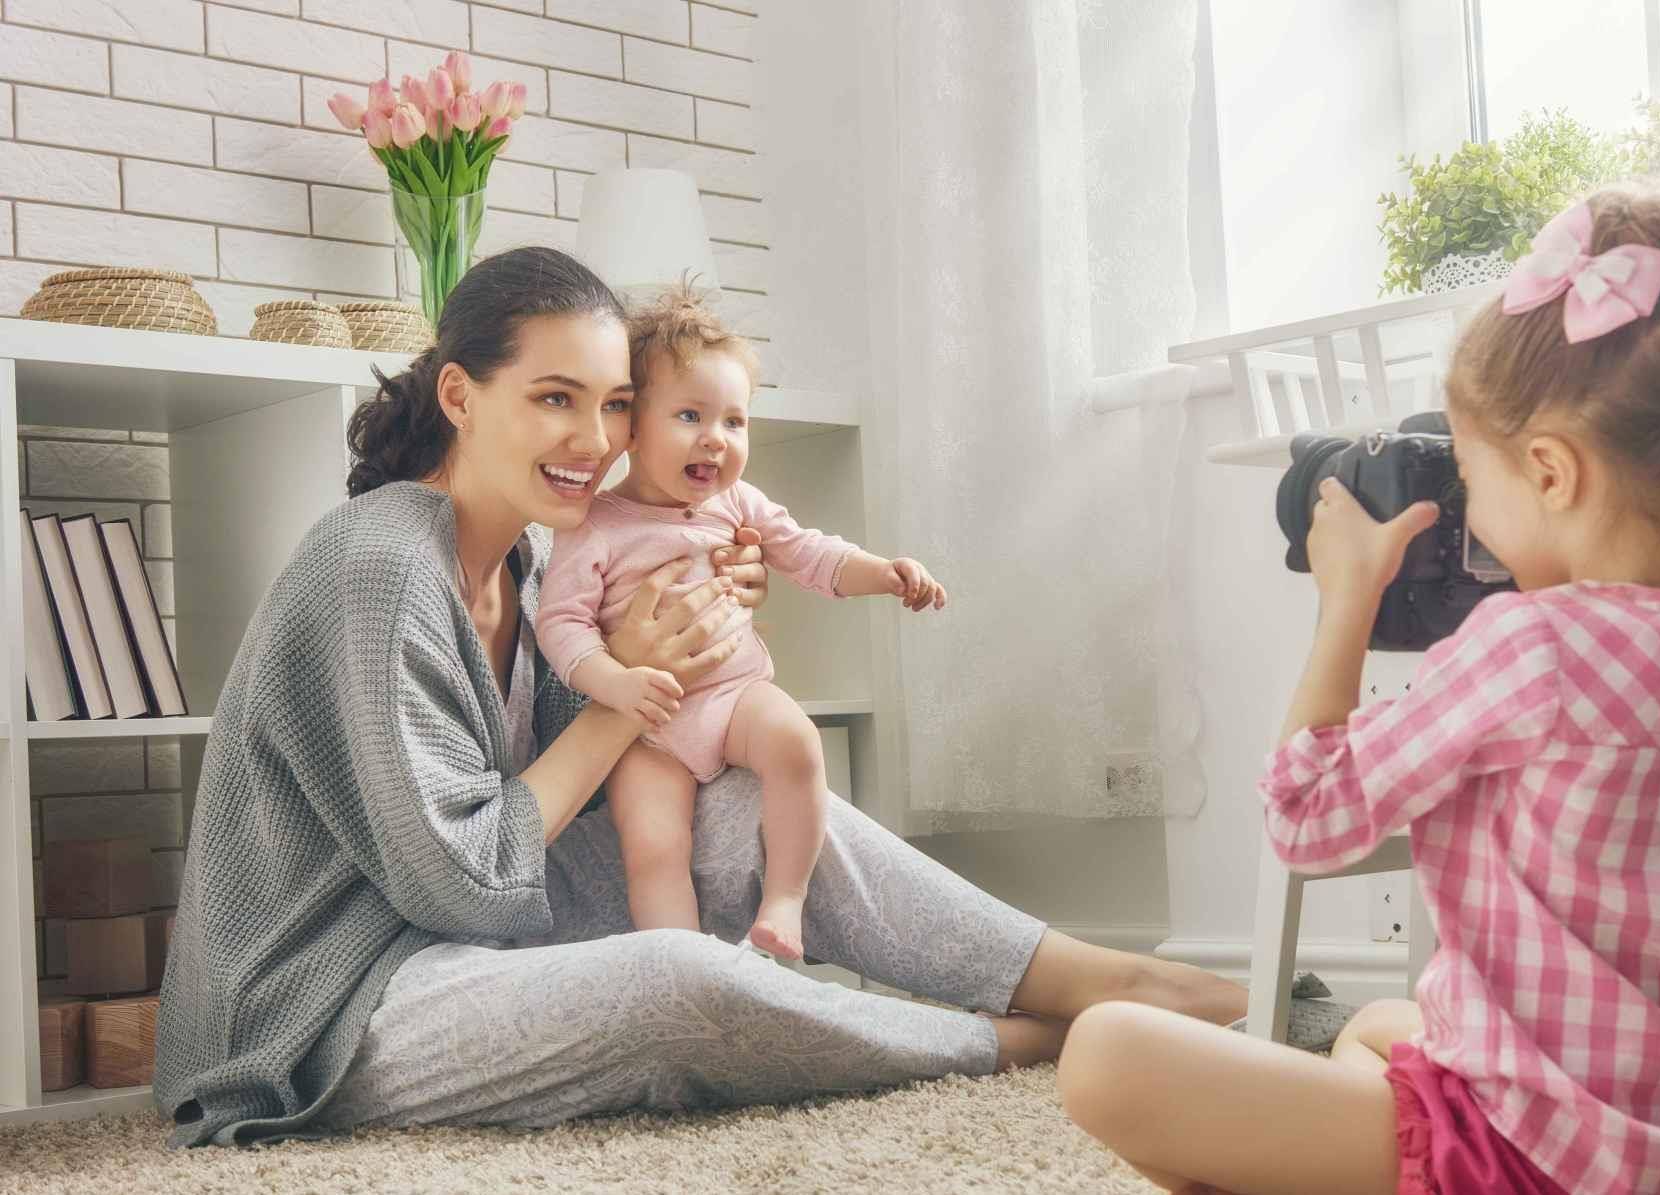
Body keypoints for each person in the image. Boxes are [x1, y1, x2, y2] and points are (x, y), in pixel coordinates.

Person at [153, 245, 1248, 1148]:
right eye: (553, 399)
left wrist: (666, 659)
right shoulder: (378, 568)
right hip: (322, 1010)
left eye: (616, 405)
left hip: (450, 935)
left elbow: (546, 797)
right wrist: (634, 695)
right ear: (459, 396)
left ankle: (1093, 975)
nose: (595, 442)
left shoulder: (525, 569)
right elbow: (462, 885)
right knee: (675, 980)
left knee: (739, 807)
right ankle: (1026, 1039)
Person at [1058, 182, 1660, 1195]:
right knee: (1381, 1026)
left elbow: (1307, 820)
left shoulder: (1526, 643)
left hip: (1527, 1158)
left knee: (1105, 1052)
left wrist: (1345, 598)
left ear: (1551, 473)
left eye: (1472, 483)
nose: (1465, 510)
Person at [538, 283, 945, 961]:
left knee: (796, 744)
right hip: (646, 727)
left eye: (735, 421)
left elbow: (810, 554)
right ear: (633, 426)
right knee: (654, 845)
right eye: (690, 415)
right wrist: (614, 683)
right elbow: (561, 625)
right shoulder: (595, 527)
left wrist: (885, 572)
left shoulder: (738, 503)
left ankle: (784, 902)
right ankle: (686, 966)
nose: (715, 439)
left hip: (733, 696)